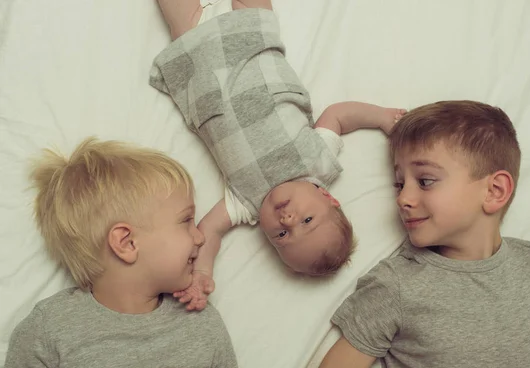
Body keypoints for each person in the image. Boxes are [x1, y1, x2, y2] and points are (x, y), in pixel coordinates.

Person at [305, 100, 530, 368]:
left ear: (495, 191)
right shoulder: (393, 286)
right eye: (399, 184)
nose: (403, 198)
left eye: (425, 181)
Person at [149, 0, 405, 310]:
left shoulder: (246, 204)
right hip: (252, 45)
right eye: (307, 220)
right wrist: (381, 117)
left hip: (201, 65)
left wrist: (202, 271)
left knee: (181, 18)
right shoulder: (318, 162)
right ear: (328, 198)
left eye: (282, 234)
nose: (288, 219)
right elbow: (338, 115)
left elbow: (210, 229)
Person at [0, 138, 243, 368]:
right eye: (186, 221)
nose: (200, 237)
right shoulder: (49, 329)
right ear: (127, 243)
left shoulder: (200, 321)